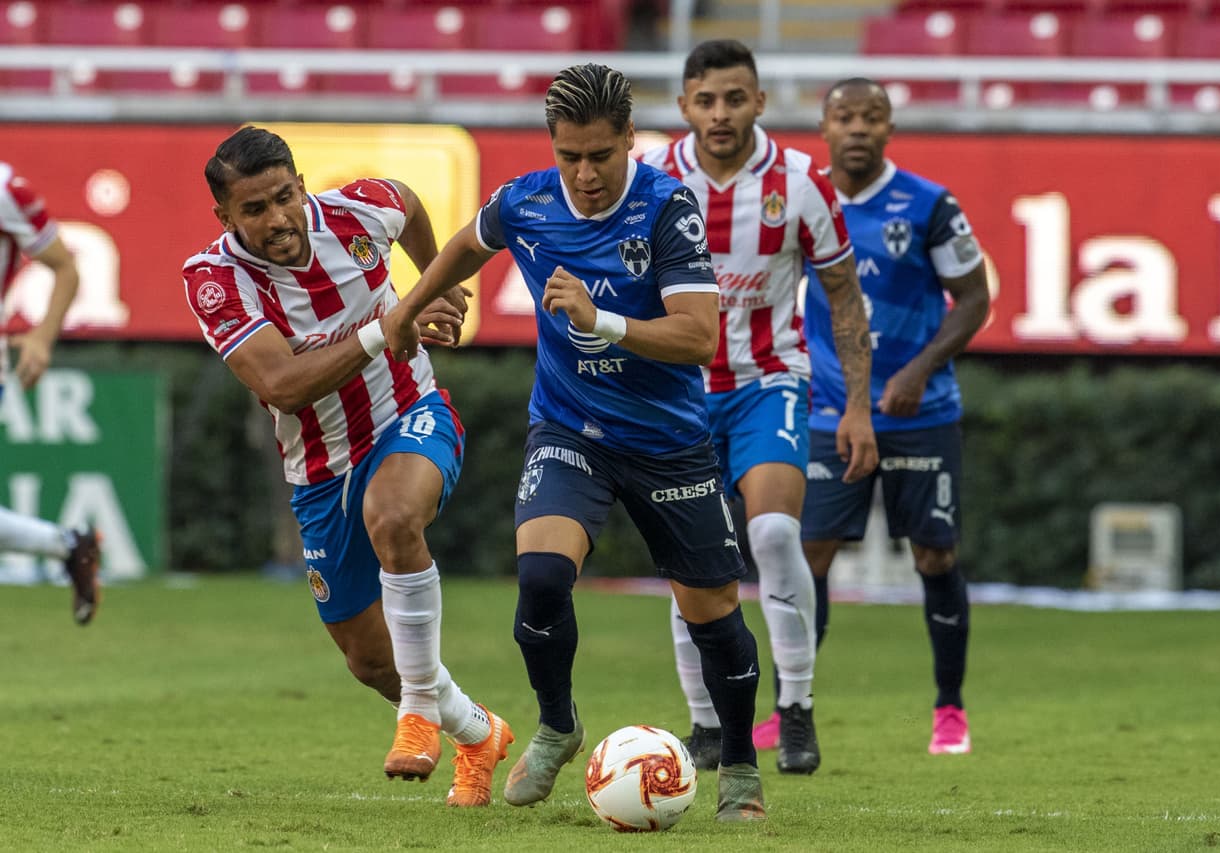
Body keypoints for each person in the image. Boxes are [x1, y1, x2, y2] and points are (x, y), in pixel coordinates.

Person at [394, 63, 767, 822]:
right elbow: (469, 241)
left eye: (602, 154)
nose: (587, 174)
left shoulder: (669, 207)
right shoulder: (526, 200)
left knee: (713, 611)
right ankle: (559, 723)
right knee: (539, 574)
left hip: (667, 439)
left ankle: (739, 766)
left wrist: (600, 320)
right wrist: (412, 304)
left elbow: (699, 336)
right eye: (571, 156)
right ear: (553, 147)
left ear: (631, 138)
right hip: (569, 427)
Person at [182, 127, 513, 806]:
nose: (277, 219)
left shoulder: (361, 210)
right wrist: (386, 326)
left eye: (284, 197)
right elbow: (281, 384)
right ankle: (478, 732)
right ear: (226, 217)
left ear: (302, 184)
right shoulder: (214, 279)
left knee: (393, 516)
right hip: (319, 470)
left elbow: (414, 206)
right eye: (254, 209)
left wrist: (433, 284)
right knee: (368, 659)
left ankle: (419, 713)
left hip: (412, 413)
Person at [640, 39, 878, 775]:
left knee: (774, 533)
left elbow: (841, 293)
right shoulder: (650, 182)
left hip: (768, 380)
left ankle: (796, 708)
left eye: (734, 98)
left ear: (759, 103)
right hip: (679, 392)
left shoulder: (801, 180)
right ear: (684, 106)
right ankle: (706, 723)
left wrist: (858, 407)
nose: (720, 114)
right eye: (706, 100)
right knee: (693, 555)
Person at [773, 78, 989, 755]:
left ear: (891, 127)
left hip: (920, 410)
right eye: (845, 116)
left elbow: (975, 296)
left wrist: (919, 369)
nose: (858, 129)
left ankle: (949, 708)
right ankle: (791, 708)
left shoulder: (929, 205)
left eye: (871, 117)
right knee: (808, 556)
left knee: (935, 553)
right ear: (824, 126)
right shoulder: (801, 197)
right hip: (828, 410)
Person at [0, 161, 100, 625]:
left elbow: (64, 266)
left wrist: (42, 336)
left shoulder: (5, 187)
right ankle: (68, 545)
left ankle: (69, 545)